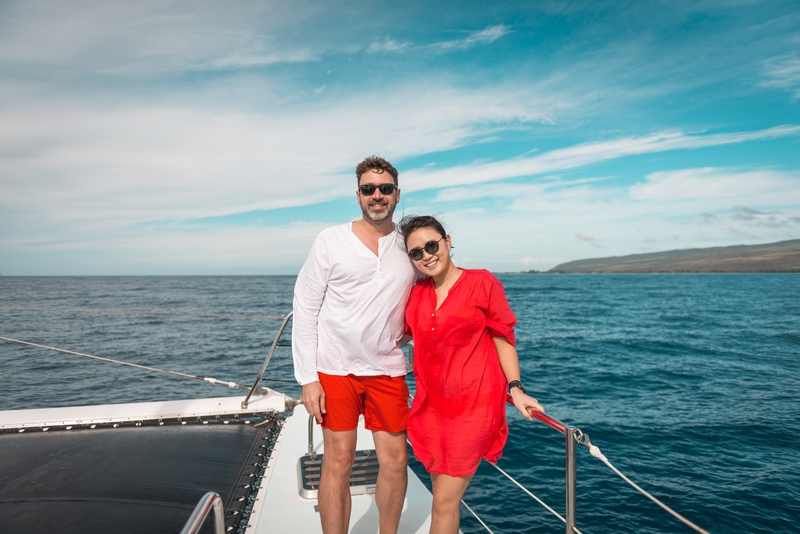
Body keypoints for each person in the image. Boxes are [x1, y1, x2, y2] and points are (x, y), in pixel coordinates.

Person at [292, 156, 417, 534]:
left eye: (385, 189)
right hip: (335, 369)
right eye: (368, 189)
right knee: (338, 461)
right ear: (358, 194)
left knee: (395, 462)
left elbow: (431, 293)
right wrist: (307, 378)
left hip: (387, 369)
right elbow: (305, 305)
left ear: (397, 194)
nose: (377, 196)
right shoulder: (331, 240)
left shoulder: (409, 244)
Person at [399, 215, 545, 534]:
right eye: (416, 253)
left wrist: (516, 388)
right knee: (441, 496)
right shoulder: (416, 293)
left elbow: (502, 338)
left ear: (448, 242)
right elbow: (400, 336)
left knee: (443, 502)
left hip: (473, 407)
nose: (427, 255)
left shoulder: (482, 282)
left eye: (432, 245)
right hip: (430, 407)